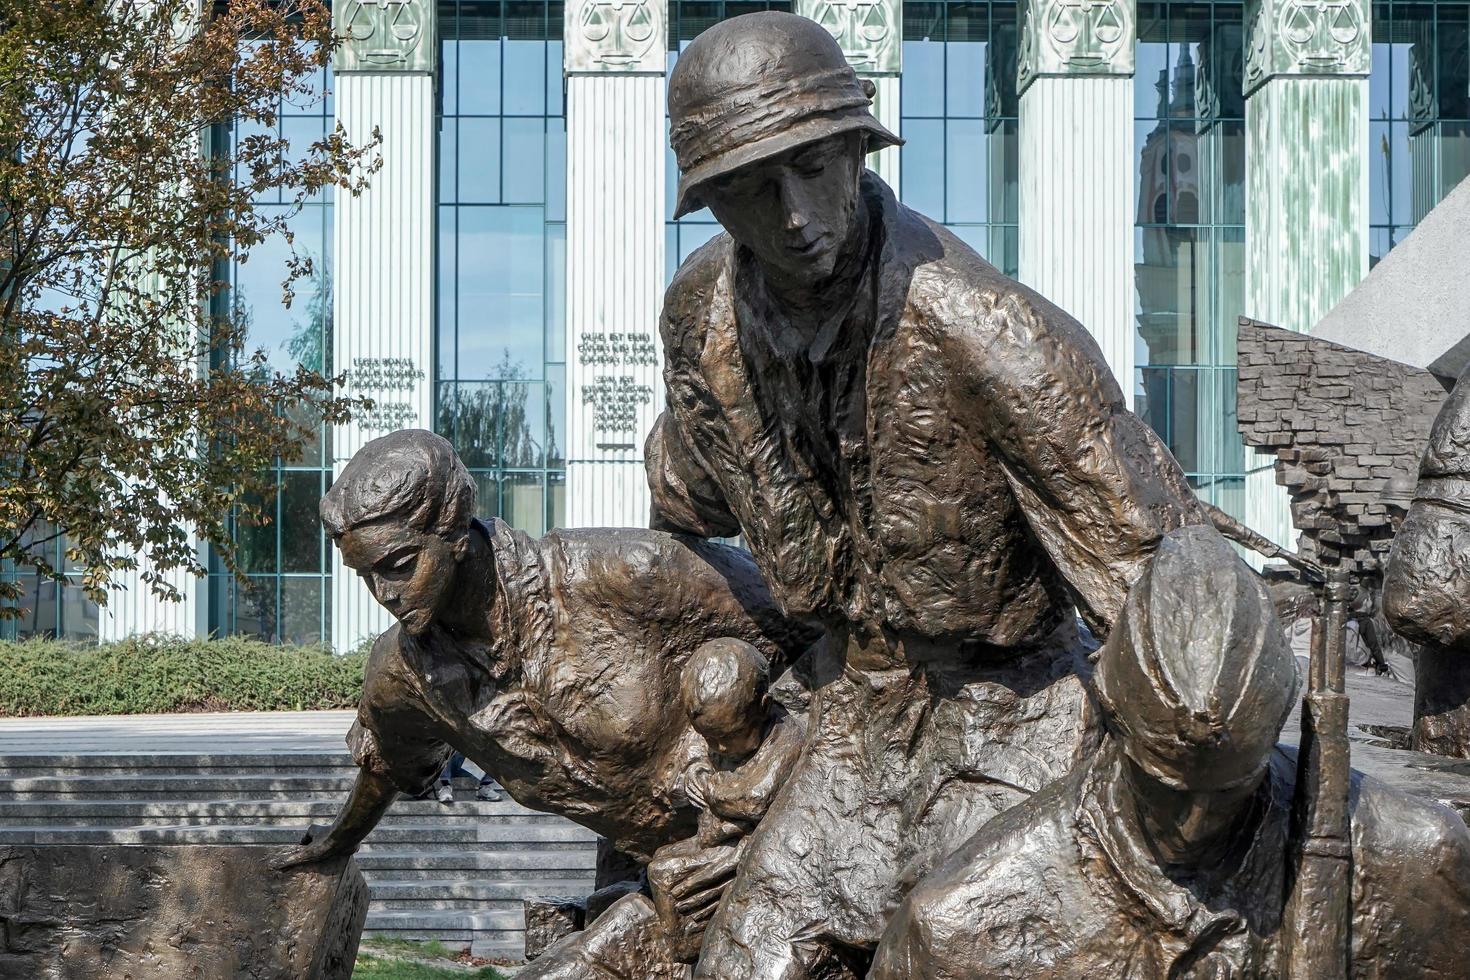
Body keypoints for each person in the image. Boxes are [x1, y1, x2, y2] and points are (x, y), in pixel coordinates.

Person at [647, 11, 1207, 976]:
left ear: (859, 151)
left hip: (1014, 715)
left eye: (815, 168)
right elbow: (685, 500)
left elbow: (1167, 596)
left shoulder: (996, 336)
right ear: (710, 203)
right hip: (850, 711)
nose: (792, 216)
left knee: (946, 951)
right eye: (746, 191)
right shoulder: (701, 318)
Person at [871, 527, 1470, 979]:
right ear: (1108, 710)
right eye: (1164, 789)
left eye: (1230, 791)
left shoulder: (1413, 863)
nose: (1194, 824)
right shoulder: (962, 927)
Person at [272, 429, 815, 871]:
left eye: (399, 566)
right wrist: (334, 844)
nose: (384, 595)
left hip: (790, 826)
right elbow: (387, 766)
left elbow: (816, 631)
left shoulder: (628, 575)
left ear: (455, 531)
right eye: (365, 575)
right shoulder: (403, 674)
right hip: (657, 872)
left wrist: (760, 784)